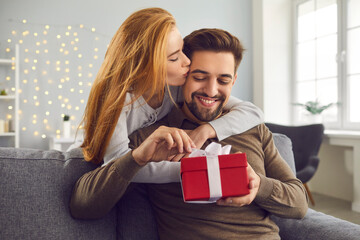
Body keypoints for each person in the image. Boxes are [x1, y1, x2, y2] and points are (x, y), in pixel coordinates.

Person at [70, 28, 308, 239]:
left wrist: (259, 187)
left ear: (233, 81)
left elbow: (299, 205)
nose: (211, 91)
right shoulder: (153, 138)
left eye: (223, 80)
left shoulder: (254, 129)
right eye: (199, 77)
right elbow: (83, 205)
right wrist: (137, 159)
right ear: (183, 77)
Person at [73, 7, 264, 183]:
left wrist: (205, 130)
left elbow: (252, 111)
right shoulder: (119, 101)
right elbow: (119, 166)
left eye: (182, 50)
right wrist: (190, 170)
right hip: (95, 170)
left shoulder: (175, 87)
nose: (187, 61)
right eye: (174, 57)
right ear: (145, 66)